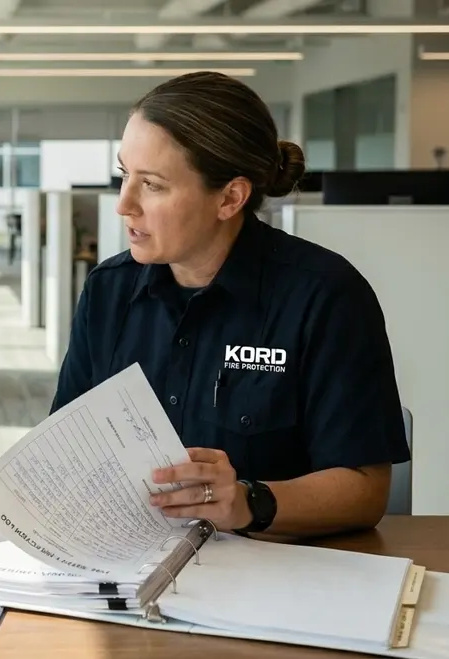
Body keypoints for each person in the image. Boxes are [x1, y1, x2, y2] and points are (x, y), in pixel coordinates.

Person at [52, 71, 410, 540]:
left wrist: (248, 501)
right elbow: (65, 447)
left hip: (276, 564)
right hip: (126, 557)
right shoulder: (108, 291)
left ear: (230, 198)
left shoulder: (326, 295)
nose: (124, 204)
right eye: (125, 175)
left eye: (153, 185)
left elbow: (365, 491)